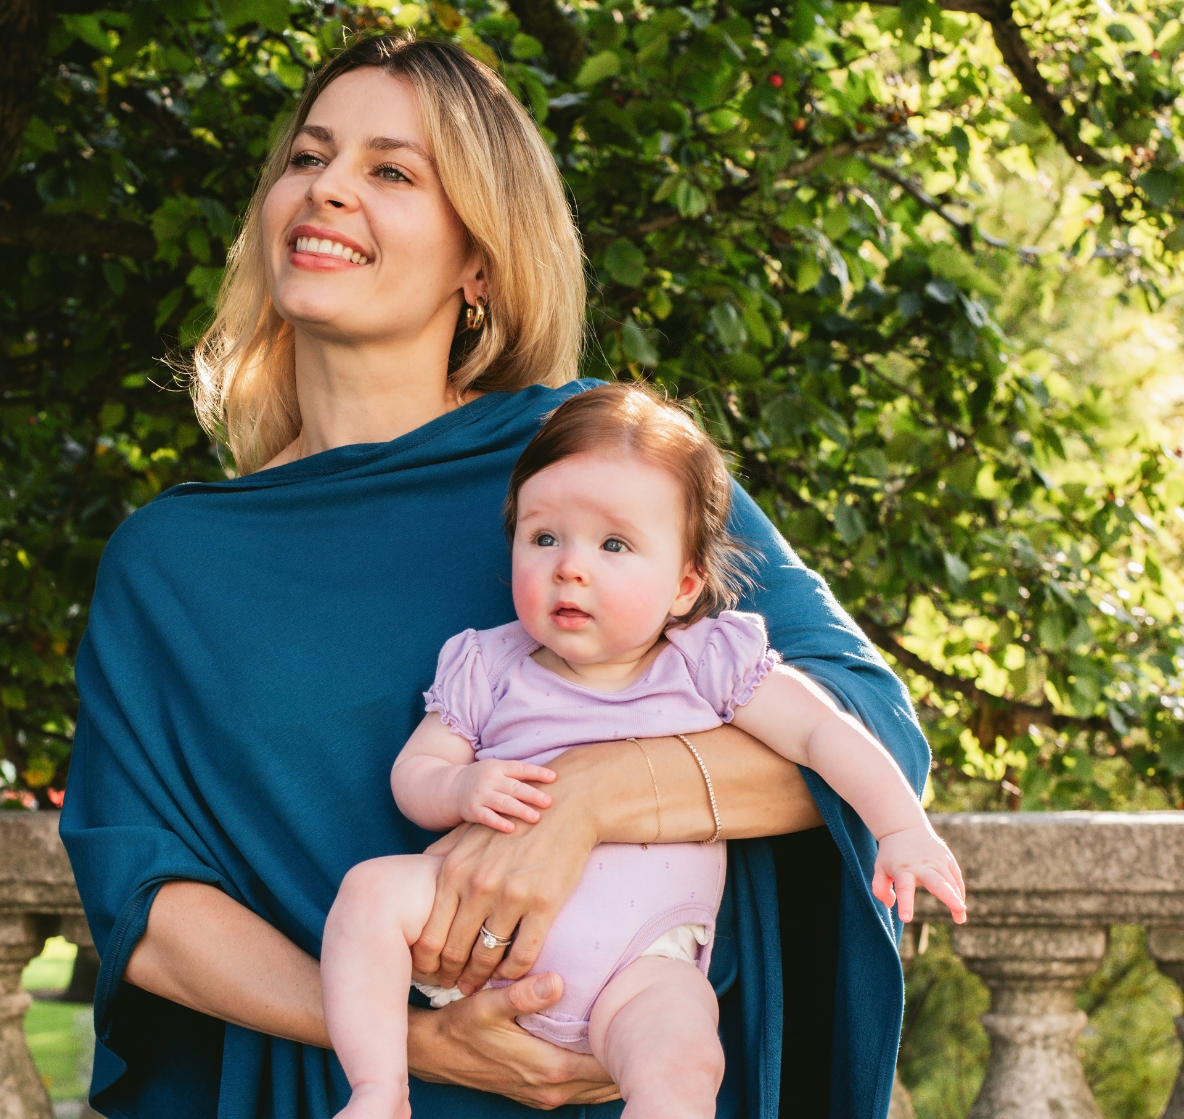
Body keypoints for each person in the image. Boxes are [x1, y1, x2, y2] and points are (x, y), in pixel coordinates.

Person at [61, 32, 932, 1119]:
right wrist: (417, 1043)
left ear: (480, 260)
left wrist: (592, 800)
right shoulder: (172, 565)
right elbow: (147, 911)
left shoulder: (599, 464)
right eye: (306, 158)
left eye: (389, 171)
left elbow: (865, 730)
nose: (327, 189)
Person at [319, 384, 966, 1119]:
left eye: (614, 545)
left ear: (686, 584)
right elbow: (415, 774)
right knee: (369, 895)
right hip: (478, 941)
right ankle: (378, 1090)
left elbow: (825, 735)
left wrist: (902, 827)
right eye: (544, 538)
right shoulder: (489, 666)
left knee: (683, 1056)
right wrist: (461, 790)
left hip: (640, 965)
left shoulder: (706, 665)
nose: (571, 567)